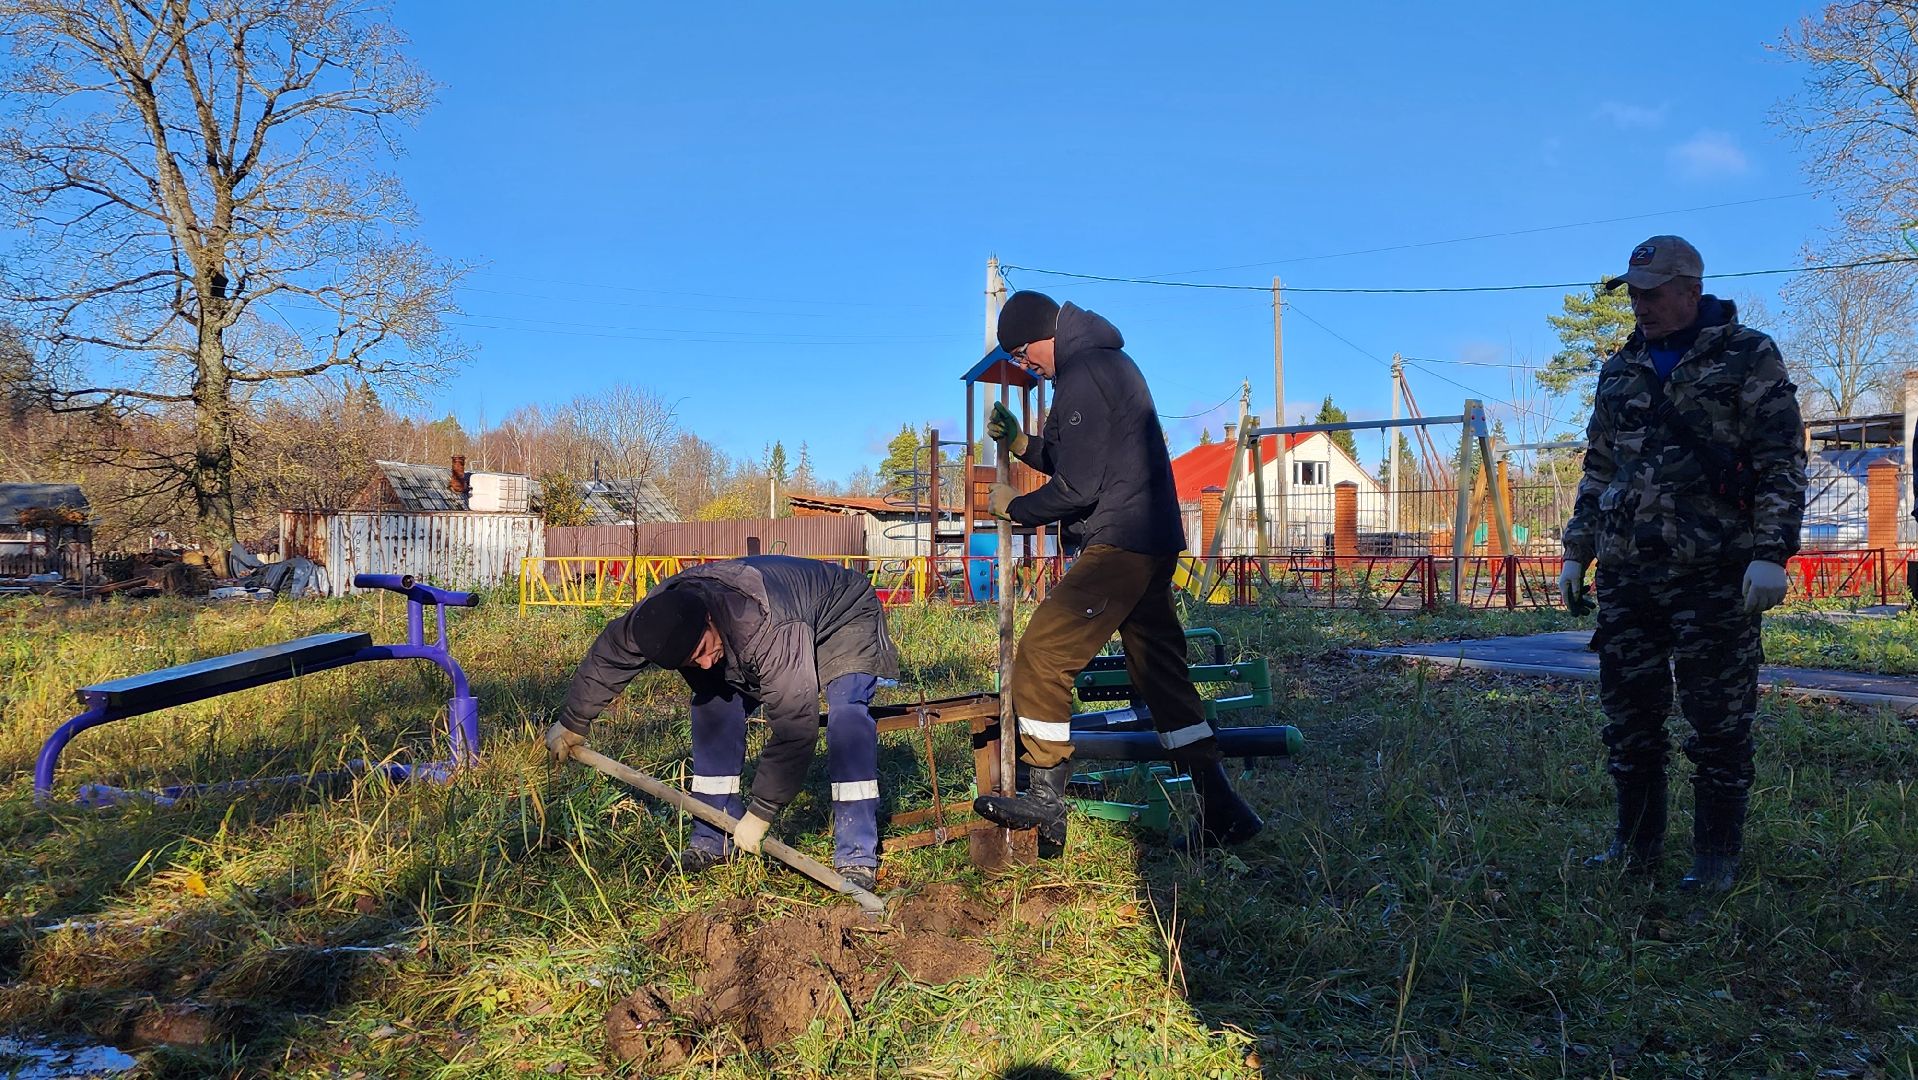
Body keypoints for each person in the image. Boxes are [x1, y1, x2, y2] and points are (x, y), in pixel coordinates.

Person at [971, 290, 1263, 856]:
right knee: (1161, 676)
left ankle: (1046, 794)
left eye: (1026, 356)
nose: (1028, 368)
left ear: (1041, 336)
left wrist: (1015, 509)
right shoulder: (1102, 366)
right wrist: (1021, 443)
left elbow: (1078, 487)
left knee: (1042, 655)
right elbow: (1070, 457)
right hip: (1151, 541)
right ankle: (1225, 808)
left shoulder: (1085, 373)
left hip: (1121, 544)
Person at [1558, 235, 1805, 893]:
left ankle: (1716, 858)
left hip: (1716, 572)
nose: (1641, 304)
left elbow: (1781, 458)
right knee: (1630, 719)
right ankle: (1635, 848)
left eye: (1654, 291)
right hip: (1629, 573)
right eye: (1634, 292)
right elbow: (1599, 467)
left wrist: (1771, 552)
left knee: (1718, 723)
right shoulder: (1620, 369)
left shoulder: (1748, 354)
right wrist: (1576, 550)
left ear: (1691, 290)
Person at [544, 555, 899, 893]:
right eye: (688, 660)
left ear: (709, 619)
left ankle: (856, 856)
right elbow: (608, 656)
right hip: (772, 623)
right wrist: (574, 719)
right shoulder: (657, 618)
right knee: (712, 702)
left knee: (846, 715)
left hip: (842, 615)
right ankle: (713, 837)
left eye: (700, 649)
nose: (700, 663)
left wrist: (761, 812)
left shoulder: (762, 626)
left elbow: (794, 723)